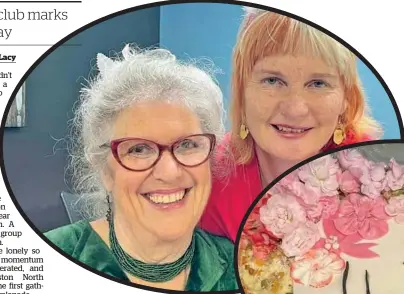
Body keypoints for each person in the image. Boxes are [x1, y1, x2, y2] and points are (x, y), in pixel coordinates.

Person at [44, 45, 238, 292]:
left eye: (188, 144)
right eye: (138, 149)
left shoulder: (242, 266)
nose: (169, 172)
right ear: (104, 169)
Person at [199, 7, 383, 242]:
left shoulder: (379, 178)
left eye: (317, 83)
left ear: (347, 100)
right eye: (273, 80)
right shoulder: (208, 178)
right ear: (242, 92)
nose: (295, 109)